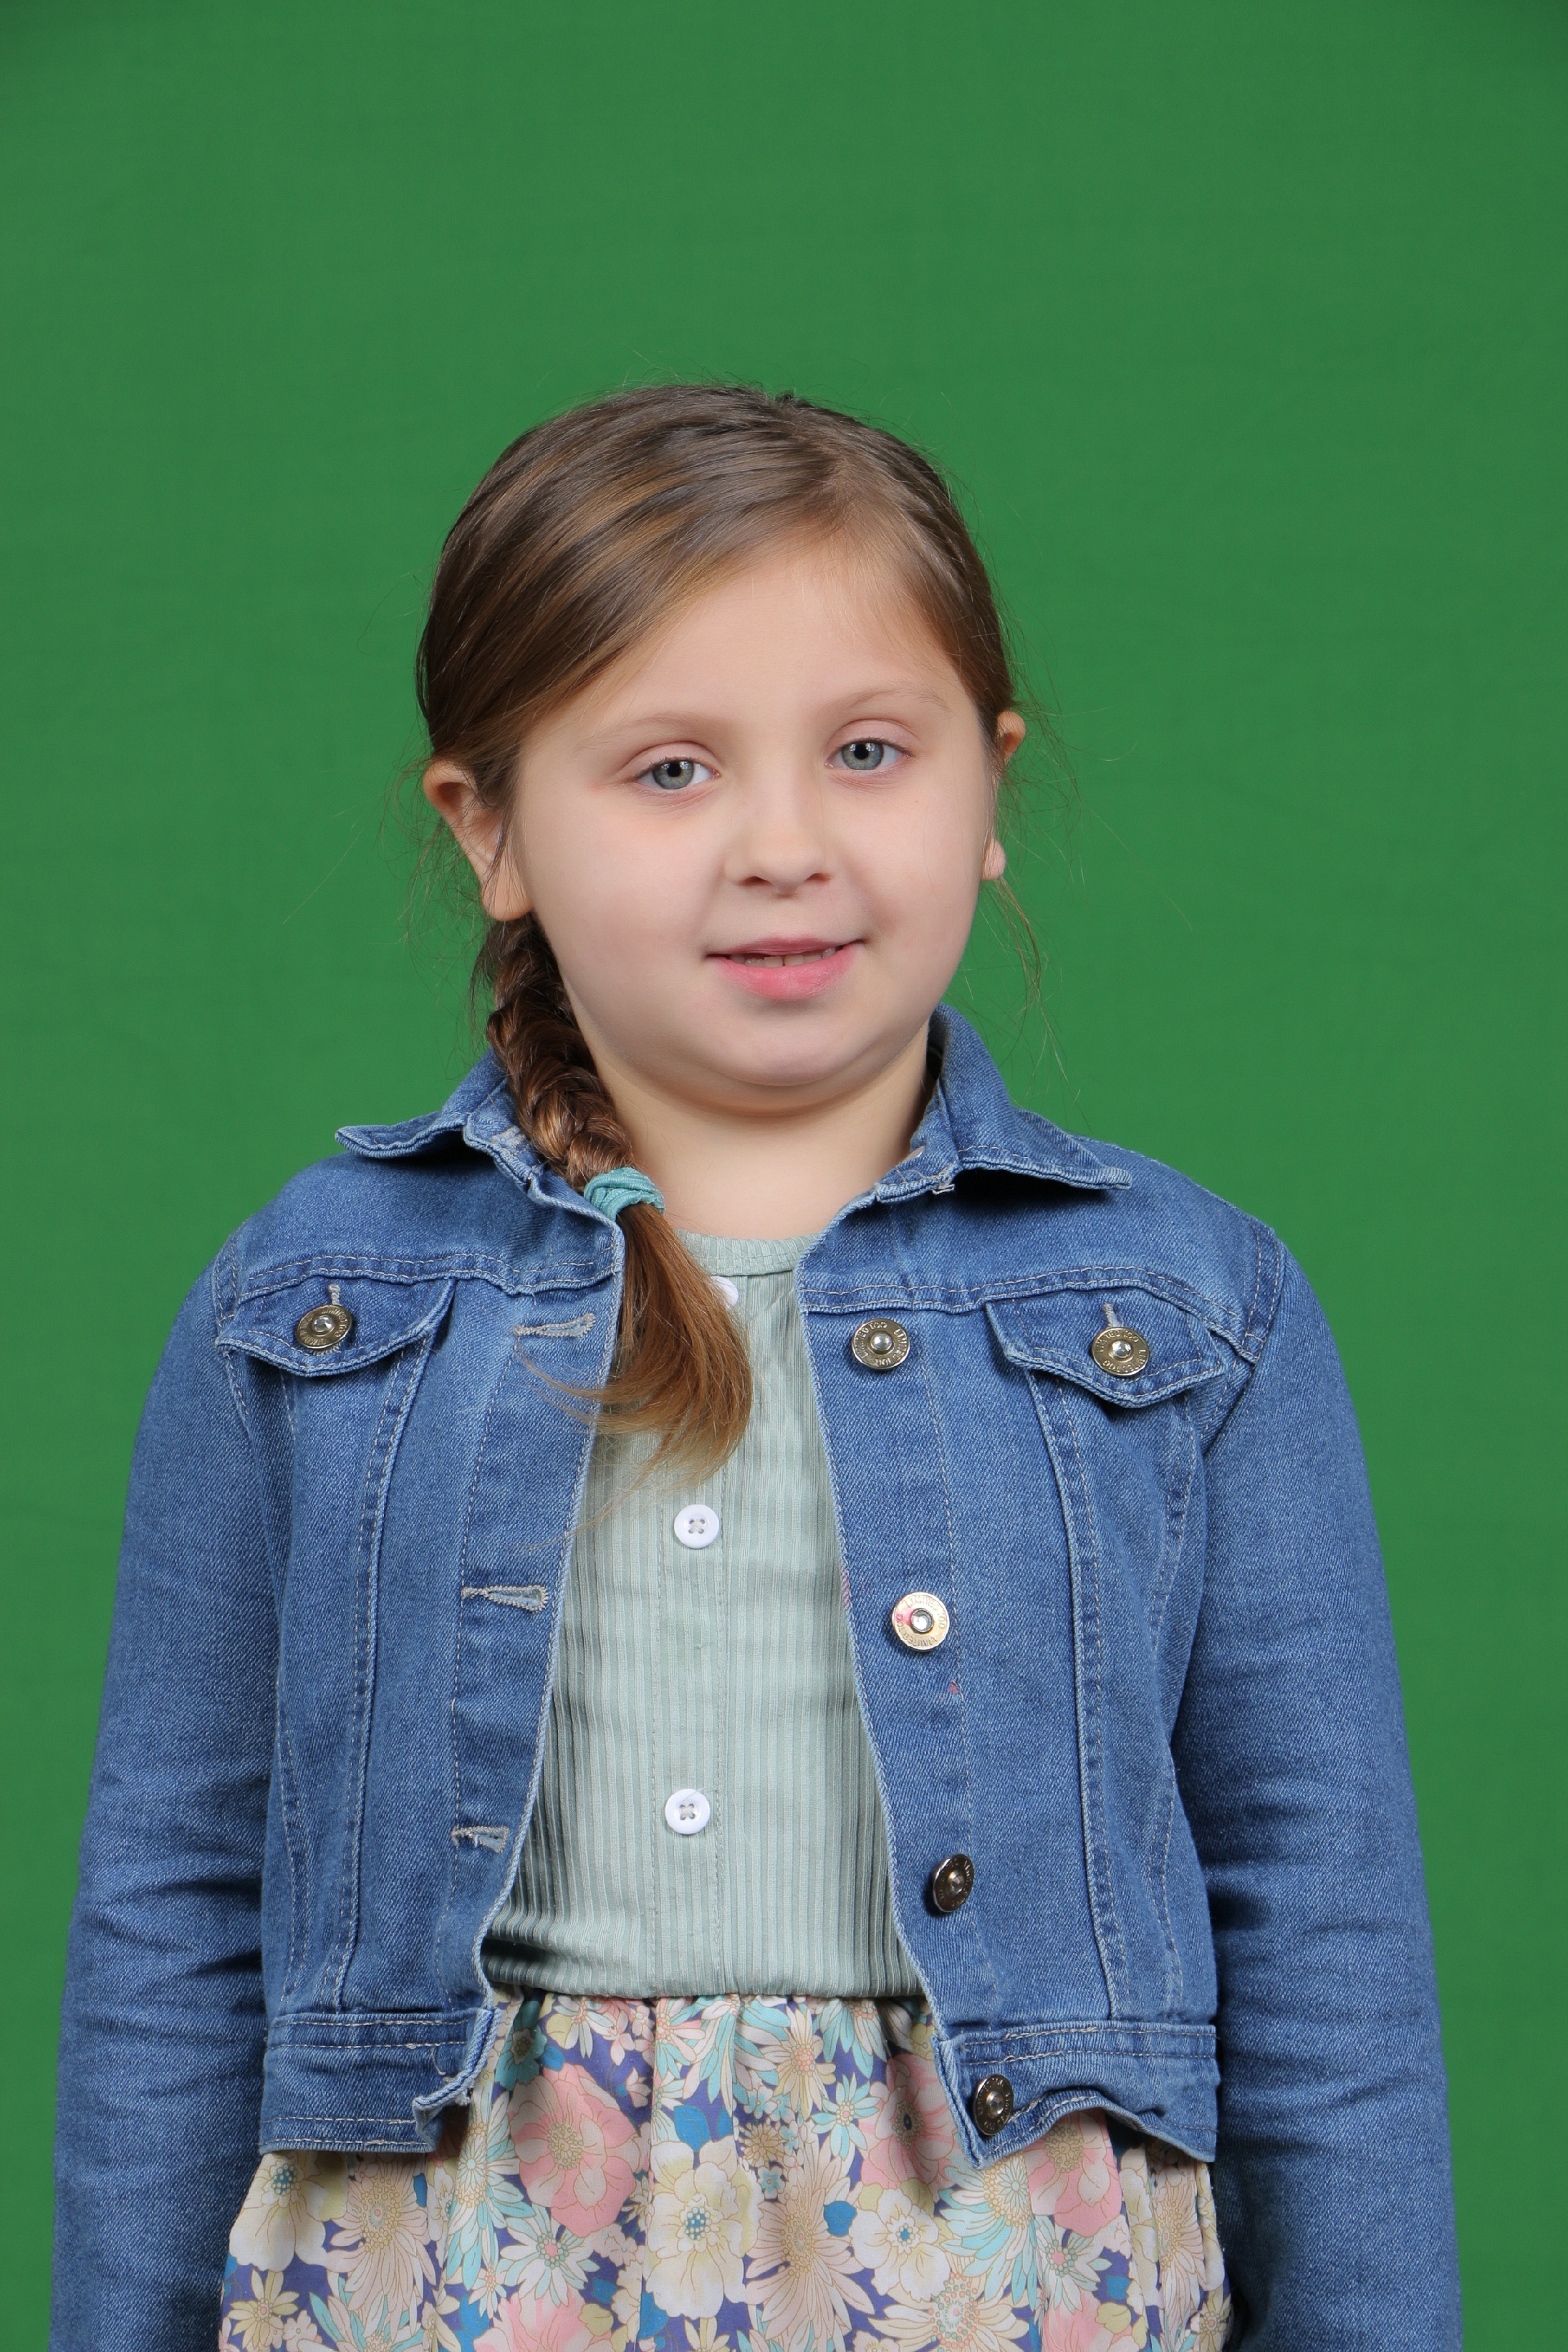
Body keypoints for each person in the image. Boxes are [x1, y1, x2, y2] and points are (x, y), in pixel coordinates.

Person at [51, 385, 1459, 2351]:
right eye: (671, 769)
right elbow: (173, 1907)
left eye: (869, 752)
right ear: (489, 828)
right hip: (442, 2275)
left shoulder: (1193, 1305)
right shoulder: (310, 1301)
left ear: (987, 787)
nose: (784, 846)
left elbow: (1324, 1925)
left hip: (1010, 2271)